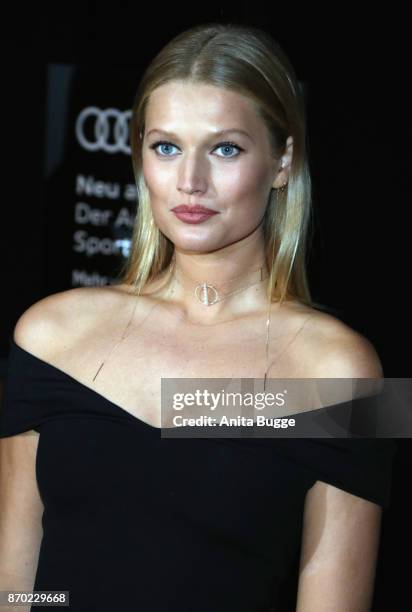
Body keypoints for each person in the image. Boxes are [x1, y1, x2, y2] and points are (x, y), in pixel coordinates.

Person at [0, 22, 397, 612]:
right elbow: (25, 583)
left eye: (225, 148)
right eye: (166, 147)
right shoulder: (51, 336)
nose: (190, 181)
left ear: (283, 160)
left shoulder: (341, 370)